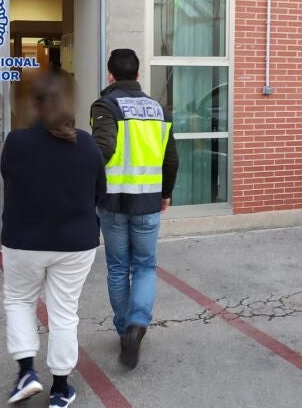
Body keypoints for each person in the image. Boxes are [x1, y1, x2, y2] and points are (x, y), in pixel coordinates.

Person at [1, 72, 106, 407]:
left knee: (19, 301)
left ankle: (26, 373)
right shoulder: (87, 144)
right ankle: (60, 389)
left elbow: (10, 179)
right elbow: (99, 193)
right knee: (64, 312)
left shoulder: (16, 142)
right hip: (76, 243)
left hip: (23, 241)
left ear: (34, 105)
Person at [90, 49, 179, 369]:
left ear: (110, 76)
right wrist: (165, 193)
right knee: (144, 266)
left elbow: (103, 148)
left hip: (113, 202)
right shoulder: (159, 109)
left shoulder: (106, 105)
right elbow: (171, 159)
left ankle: (123, 329)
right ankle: (137, 324)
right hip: (148, 202)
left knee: (117, 267)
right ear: (138, 76)